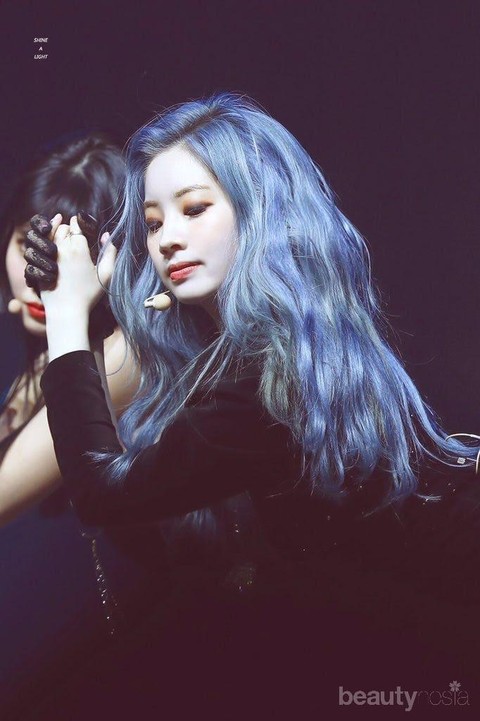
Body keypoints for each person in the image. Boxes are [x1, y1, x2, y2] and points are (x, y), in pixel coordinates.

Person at [26, 94, 480, 716]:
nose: (169, 239)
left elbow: (102, 492)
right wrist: (101, 293)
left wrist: (67, 318)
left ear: (259, 208)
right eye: (153, 224)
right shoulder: (287, 343)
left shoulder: (266, 383)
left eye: (195, 209)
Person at [0, 133, 148, 720]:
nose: (39, 273)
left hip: (162, 639)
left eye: (67, 252)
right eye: (26, 244)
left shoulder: (122, 359)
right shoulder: (49, 351)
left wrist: (63, 318)